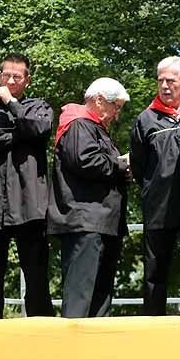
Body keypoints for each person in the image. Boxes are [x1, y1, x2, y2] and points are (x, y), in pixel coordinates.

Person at [0, 53, 54, 319]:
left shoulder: (40, 107)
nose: (11, 80)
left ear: (28, 80)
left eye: (17, 76)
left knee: (36, 277)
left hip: (30, 206)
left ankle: (42, 336)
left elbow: (39, 129)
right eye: (6, 75)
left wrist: (12, 104)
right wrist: (17, 136)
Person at [130, 56, 180, 315]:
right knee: (154, 272)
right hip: (159, 205)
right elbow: (139, 166)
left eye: (170, 81)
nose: (164, 86)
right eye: (160, 80)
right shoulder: (146, 119)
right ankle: (152, 325)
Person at [48, 78, 130, 318]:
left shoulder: (93, 127)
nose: (117, 114)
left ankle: (95, 349)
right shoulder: (79, 123)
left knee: (100, 295)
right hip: (86, 222)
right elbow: (84, 160)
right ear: (100, 100)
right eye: (116, 107)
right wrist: (120, 165)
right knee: (81, 296)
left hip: (102, 222)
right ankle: (73, 350)